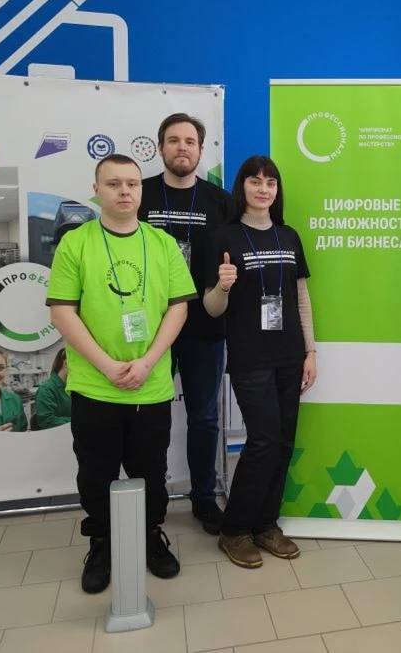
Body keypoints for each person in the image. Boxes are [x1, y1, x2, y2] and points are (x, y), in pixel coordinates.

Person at [47, 154, 197, 594]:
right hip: (96, 385)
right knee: (96, 472)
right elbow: (62, 312)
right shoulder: (76, 244)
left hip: (151, 384)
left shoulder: (163, 244)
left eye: (132, 183)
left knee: (150, 470)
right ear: (97, 190)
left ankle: (150, 537)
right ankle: (102, 544)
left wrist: (147, 362)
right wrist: (108, 365)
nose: (125, 191)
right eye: (113, 184)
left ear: (141, 190)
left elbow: (178, 307)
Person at [203, 155, 317, 569]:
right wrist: (222, 287)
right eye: (255, 181)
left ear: (277, 190)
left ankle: (266, 524)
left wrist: (311, 351)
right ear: (243, 187)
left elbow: (301, 298)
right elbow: (211, 309)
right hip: (251, 357)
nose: (263, 188)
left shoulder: (289, 236)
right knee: (263, 440)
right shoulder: (223, 237)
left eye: (270, 182)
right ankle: (234, 529)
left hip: (290, 354)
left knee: (283, 442)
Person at [139, 113, 234, 535]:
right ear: (160, 147)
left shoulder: (221, 202)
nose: (182, 147)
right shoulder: (139, 194)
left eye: (190, 141)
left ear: (200, 149)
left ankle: (203, 498)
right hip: (149, 328)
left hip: (205, 328)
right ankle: (150, 502)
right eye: (174, 140)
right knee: (149, 418)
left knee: (205, 418)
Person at [33, 347, 71, 430]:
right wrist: (78, 420)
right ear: (66, 364)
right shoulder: (46, 389)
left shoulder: (73, 388)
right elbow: (47, 421)